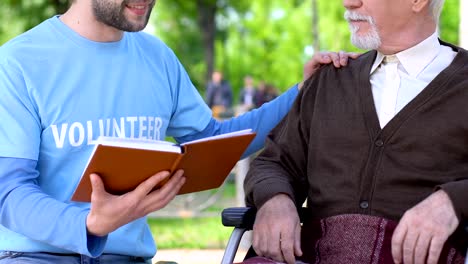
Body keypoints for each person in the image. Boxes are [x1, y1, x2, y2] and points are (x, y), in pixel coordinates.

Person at [0, 0, 355, 263]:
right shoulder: (19, 63)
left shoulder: (158, 58)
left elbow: (213, 141)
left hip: (128, 258)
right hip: (35, 256)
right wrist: (90, 223)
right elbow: (9, 192)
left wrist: (303, 91)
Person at [243, 0, 468, 263]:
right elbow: (273, 163)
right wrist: (275, 199)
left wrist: (453, 200)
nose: (348, 2)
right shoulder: (330, 79)